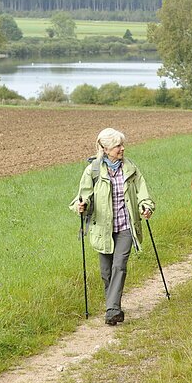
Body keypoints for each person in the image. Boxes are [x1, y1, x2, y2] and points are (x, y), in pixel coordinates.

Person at [70, 128, 155, 326]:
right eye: (118, 146)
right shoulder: (93, 170)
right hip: (103, 228)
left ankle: (112, 309)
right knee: (106, 272)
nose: (122, 148)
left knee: (119, 265)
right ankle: (114, 305)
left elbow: (143, 191)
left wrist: (146, 205)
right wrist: (81, 206)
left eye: (122, 145)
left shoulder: (131, 168)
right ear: (105, 149)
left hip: (126, 225)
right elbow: (83, 196)